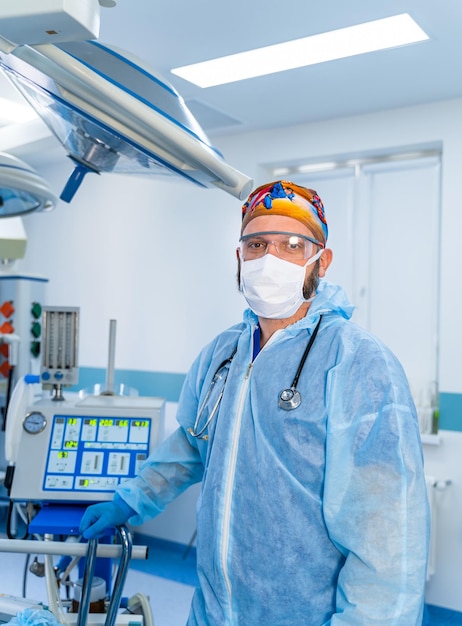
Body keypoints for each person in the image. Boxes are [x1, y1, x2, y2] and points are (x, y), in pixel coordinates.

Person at [80, 180, 430, 625]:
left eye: (291, 246)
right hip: (213, 610)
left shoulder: (359, 363)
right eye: (257, 244)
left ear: (321, 261)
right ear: (239, 256)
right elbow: (191, 444)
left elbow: (387, 541)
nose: (270, 259)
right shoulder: (223, 354)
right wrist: (130, 500)